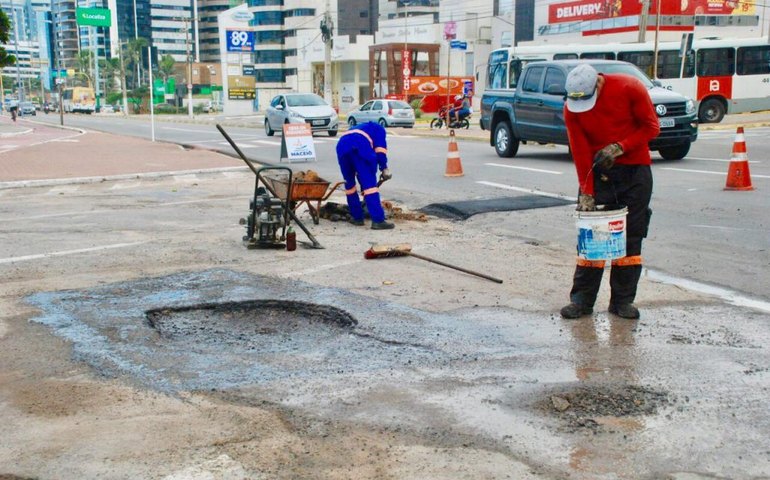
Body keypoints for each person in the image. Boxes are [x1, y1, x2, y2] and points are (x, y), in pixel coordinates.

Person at [560, 63, 660, 320]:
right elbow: (580, 151)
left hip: (635, 173)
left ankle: (622, 301)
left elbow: (651, 127)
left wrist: (620, 147)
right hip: (599, 173)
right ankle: (581, 301)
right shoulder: (572, 109)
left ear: (599, 84)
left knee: (631, 239)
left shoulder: (629, 87)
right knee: (594, 239)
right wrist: (587, 191)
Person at [335, 121, 394, 230]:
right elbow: (380, 151)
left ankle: (357, 218)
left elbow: (357, 169)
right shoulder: (380, 129)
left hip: (341, 147)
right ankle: (378, 220)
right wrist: (384, 168)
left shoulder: (358, 128)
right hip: (359, 145)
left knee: (349, 185)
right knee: (370, 187)